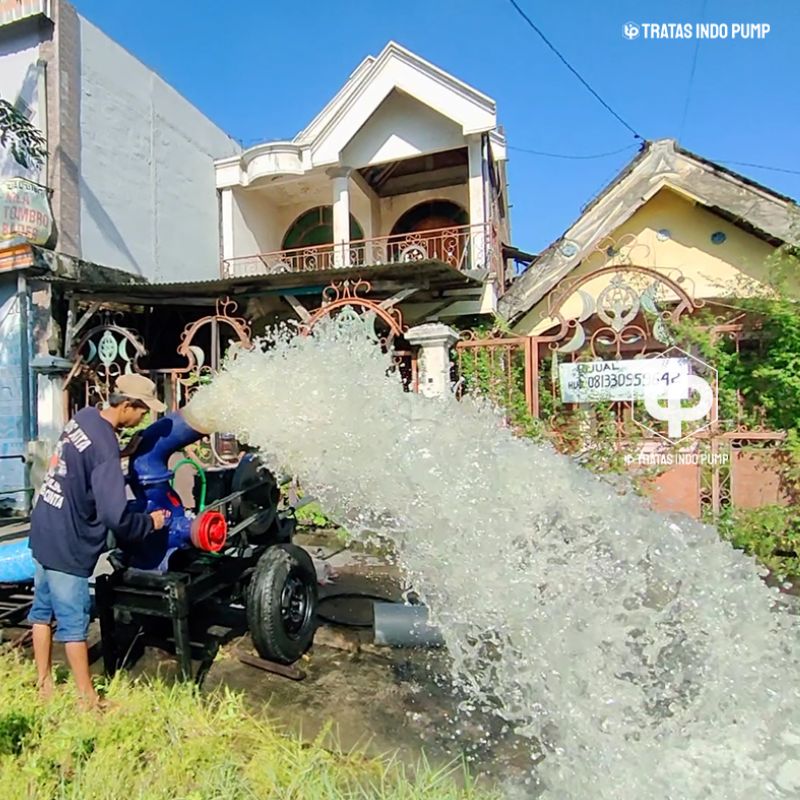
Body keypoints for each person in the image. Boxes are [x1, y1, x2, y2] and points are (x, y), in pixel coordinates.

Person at [28, 374, 169, 707]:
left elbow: (86, 458)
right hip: (68, 543)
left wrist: (121, 451)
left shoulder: (85, 417)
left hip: (45, 526)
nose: (143, 419)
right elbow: (115, 517)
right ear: (127, 406)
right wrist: (149, 521)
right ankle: (88, 699)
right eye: (143, 411)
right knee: (74, 624)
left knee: (40, 613)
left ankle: (44, 684)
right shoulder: (105, 448)